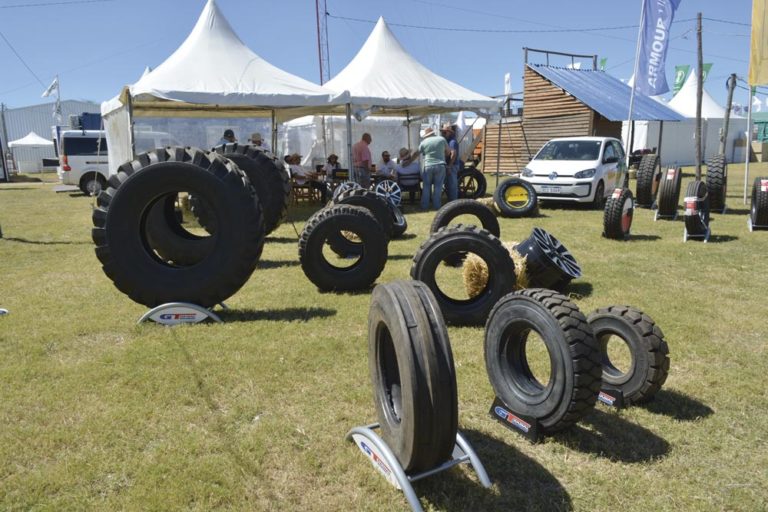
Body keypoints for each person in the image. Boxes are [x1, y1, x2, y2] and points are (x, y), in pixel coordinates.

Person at [417, 127, 449, 210]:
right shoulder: (442, 139)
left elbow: (418, 153)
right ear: (433, 133)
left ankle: (425, 206)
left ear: (426, 135)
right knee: (438, 186)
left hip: (428, 165)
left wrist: (408, 161)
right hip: (440, 165)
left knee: (426, 186)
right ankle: (437, 206)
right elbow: (448, 152)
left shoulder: (423, 142)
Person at [441, 124, 459, 202]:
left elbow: (453, 154)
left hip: (452, 165)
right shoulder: (448, 140)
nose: (443, 133)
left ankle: (453, 202)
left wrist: (449, 166)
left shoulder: (452, 141)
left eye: (445, 132)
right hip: (450, 165)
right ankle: (451, 201)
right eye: (443, 132)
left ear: (449, 132)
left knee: (452, 185)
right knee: (448, 185)